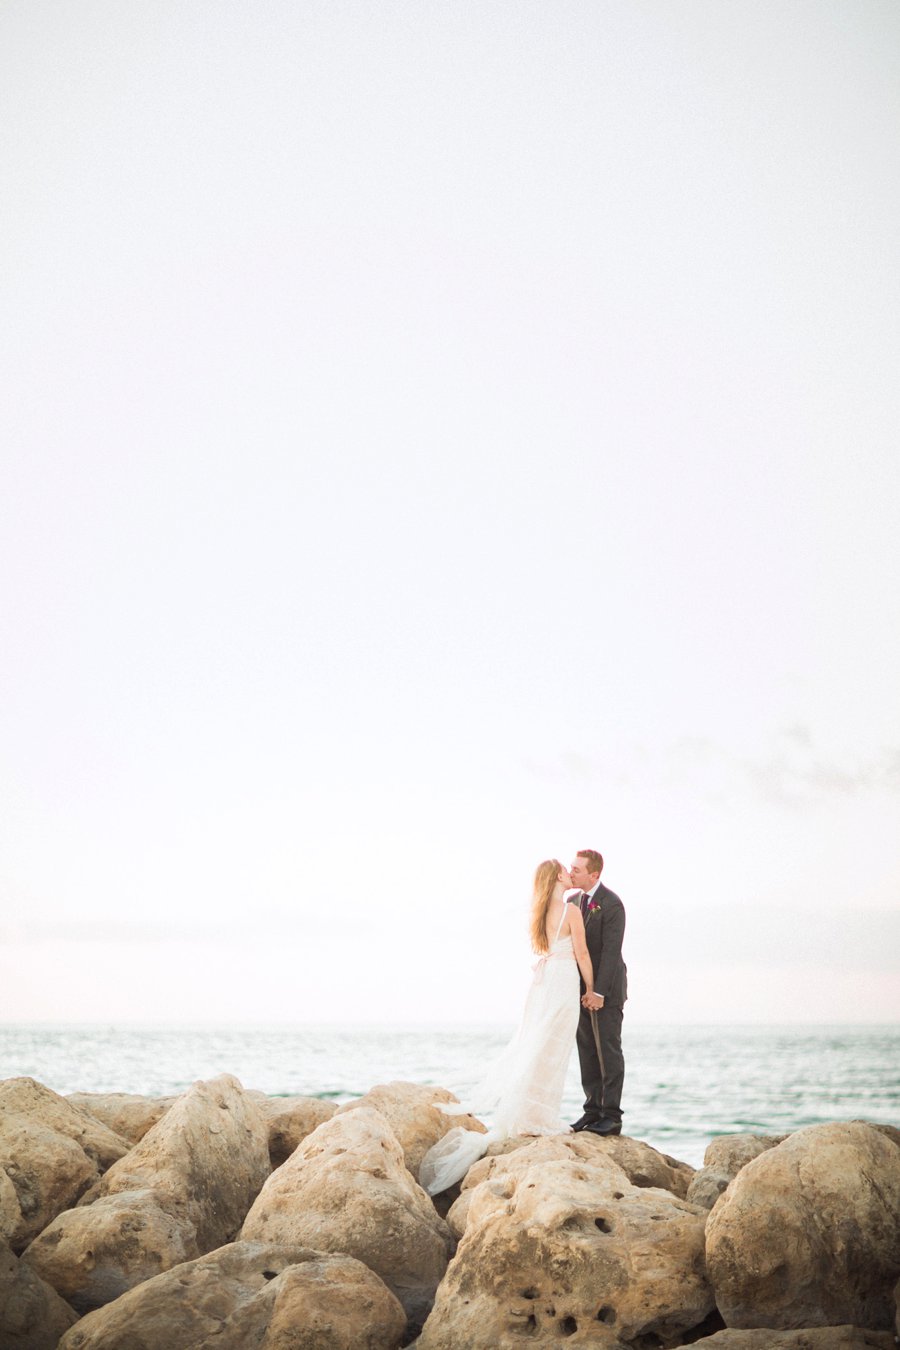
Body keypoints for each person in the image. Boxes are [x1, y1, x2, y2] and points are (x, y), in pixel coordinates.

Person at [418, 859, 595, 1195]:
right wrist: (590, 989)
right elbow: (583, 953)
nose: (569, 873)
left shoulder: (539, 912)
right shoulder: (571, 911)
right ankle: (539, 1118)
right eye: (565, 869)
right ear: (558, 877)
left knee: (535, 1047)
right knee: (552, 1051)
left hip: (543, 984)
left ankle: (530, 1115)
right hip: (561, 981)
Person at [568, 848, 627, 1137]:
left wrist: (599, 992)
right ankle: (591, 1110)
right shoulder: (572, 901)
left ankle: (611, 1116)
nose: (571, 872)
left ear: (594, 874)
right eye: (571, 867)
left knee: (608, 1050)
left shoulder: (612, 904)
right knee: (587, 1049)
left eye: (577, 869)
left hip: (608, 990)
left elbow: (611, 953)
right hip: (578, 989)